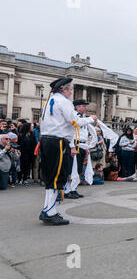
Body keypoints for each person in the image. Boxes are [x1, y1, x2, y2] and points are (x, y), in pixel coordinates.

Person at [38, 77, 97, 225]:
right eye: (70, 89)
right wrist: (91, 119)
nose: (71, 92)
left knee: (50, 176)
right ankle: (50, 213)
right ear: (64, 89)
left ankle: (47, 209)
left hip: (46, 140)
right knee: (57, 176)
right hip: (57, 142)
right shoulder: (63, 102)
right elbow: (74, 121)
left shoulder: (49, 101)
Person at [65, 99, 91, 200]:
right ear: (77, 107)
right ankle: (67, 190)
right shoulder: (74, 117)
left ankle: (73, 188)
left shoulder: (82, 118)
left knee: (78, 168)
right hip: (75, 143)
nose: (85, 108)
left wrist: (87, 147)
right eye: (83, 106)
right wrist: (72, 146)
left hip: (82, 144)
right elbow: (71, 132)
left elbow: (85, 133)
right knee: (71, 168)